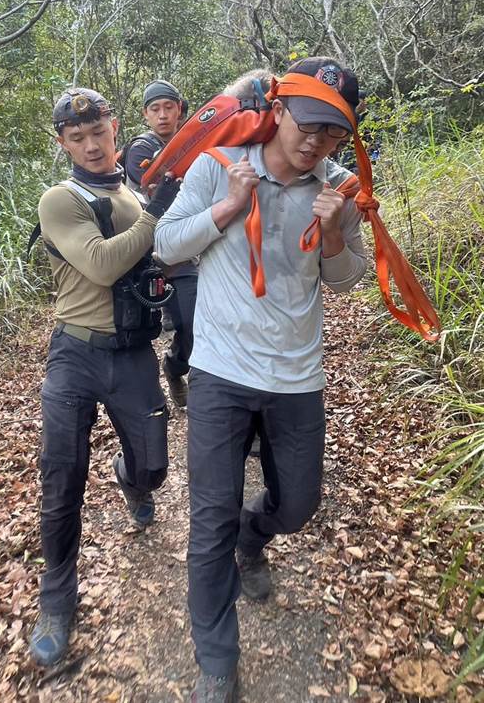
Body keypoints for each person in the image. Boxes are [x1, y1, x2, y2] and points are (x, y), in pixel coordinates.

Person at [154, 58, 368, 702]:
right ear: (279, 110)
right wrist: (228, 207)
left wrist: (333, 234)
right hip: (220, 371)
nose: (315, 143)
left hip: (297, 375)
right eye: (308, 125)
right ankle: (216, 662)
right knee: (209, 520)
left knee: (297, 505)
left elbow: (346, 277)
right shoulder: (219, 165)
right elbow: (166, 245)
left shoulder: (340, 190)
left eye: (332, 134)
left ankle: (258, 537)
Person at [30, 87, 179, 668]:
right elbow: (99, 262)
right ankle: (57, 602)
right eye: (77, 138)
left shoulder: (136, 188)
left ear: (115, 128)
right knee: (61, 476)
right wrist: (158, 217)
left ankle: (130, 478)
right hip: (74, 353)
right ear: (63, 142)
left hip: (133, 352)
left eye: (99, 133)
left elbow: (160, 252)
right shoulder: (59, 199)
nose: (91, 146)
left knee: (155, 465)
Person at [124, 79, 198, 408]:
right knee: (159, 324)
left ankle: (175, 364)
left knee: (192, 323)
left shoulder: (195, 141)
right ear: (146, 114)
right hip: (152, 253)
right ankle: (148, 402)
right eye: (155, 109)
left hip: (191, 248)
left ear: (180, 110)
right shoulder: (141, 147)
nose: (163, 115)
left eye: (169, 107)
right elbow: (153, 183)